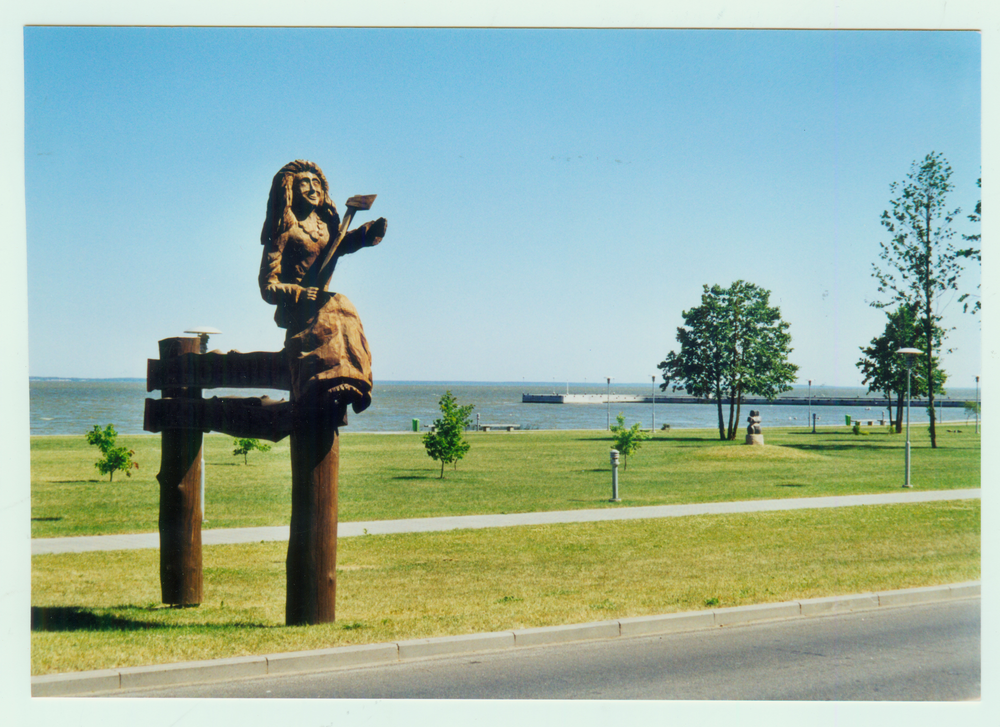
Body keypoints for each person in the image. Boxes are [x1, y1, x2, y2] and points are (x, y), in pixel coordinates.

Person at [259, 159, 387, 418]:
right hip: (298, 312)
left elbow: (339, 245)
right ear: (289, 190)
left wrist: (365, 234)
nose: (311, 188)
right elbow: (267, 286)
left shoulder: (327, 227)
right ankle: (326, 383)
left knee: (342, 308)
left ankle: (354, 381)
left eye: (316, 183)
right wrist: (298, 292)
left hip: (322, 305)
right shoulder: (284, 229)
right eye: (303, 183)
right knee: (336, 306)